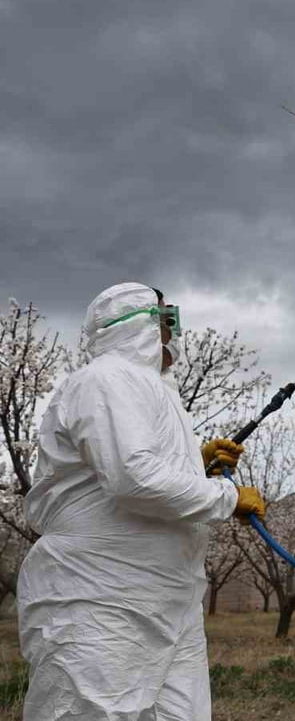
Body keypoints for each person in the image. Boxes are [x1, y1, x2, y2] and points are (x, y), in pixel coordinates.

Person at [17, 282, 267, 720]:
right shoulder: (106, 379)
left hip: (170, 598)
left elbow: (136, 468)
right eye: (167, 320)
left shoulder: (155, 391)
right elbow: (133, 478)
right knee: (91, 711)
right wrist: (227, 496)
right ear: (142, 323)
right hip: (100, 595)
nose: (175, 333)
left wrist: (196, 462)